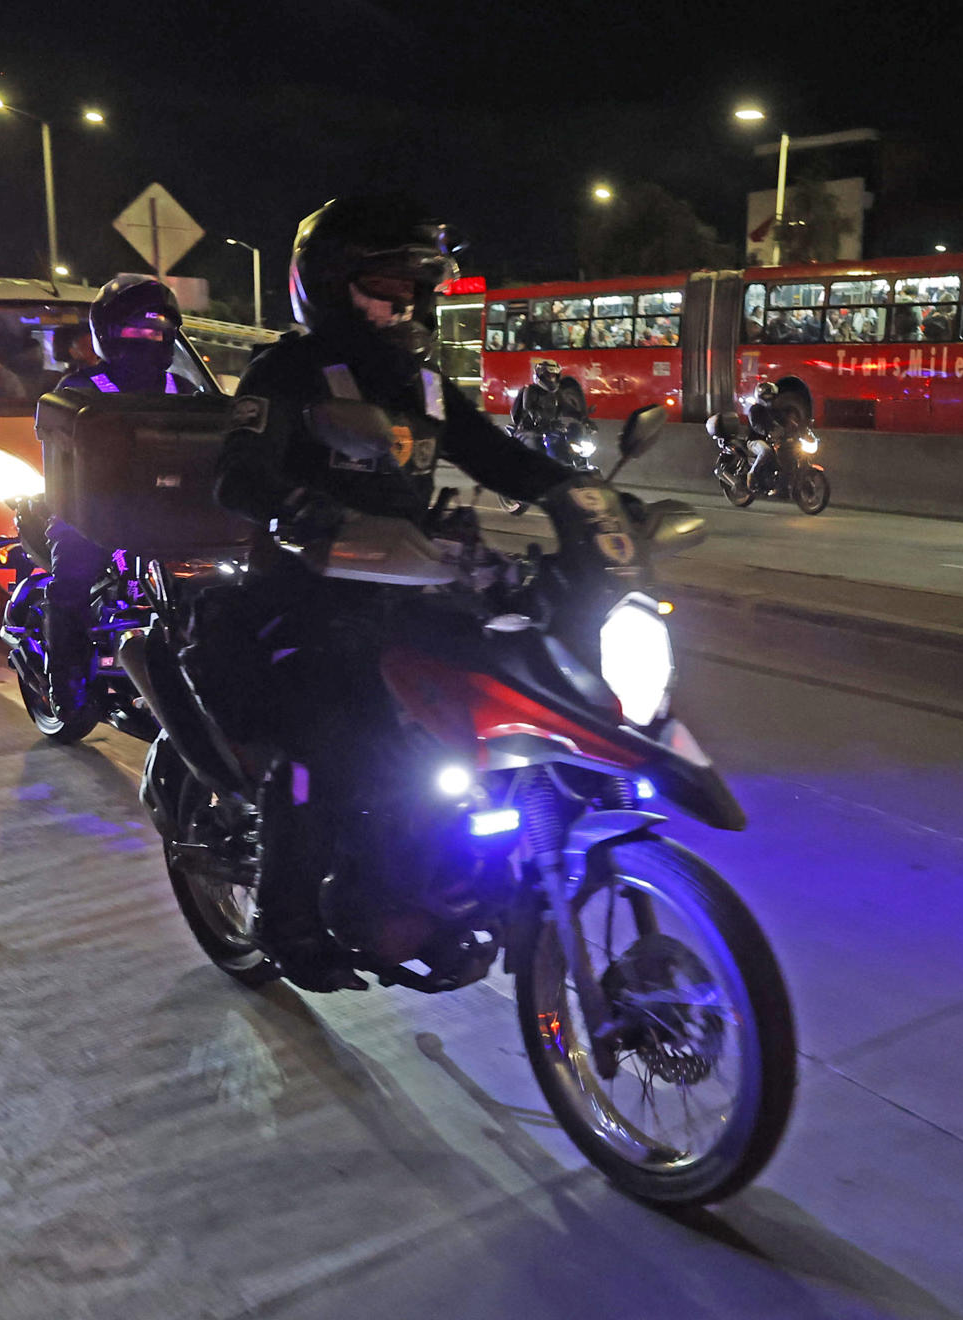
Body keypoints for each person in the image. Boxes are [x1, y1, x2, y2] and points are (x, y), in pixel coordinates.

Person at [189, 193, 578, 991]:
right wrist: (298, 509)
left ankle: (448, 870)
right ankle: (288, 919)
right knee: (328, 742)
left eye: (415, 287)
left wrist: (579, 497)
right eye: (387, 286)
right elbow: (237, 473)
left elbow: (493, 455)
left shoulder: (424, 381)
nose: (406, 303)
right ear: (331, 283)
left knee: (505, 688)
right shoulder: (289, 370)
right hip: (303, 595)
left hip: (408, 587)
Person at [42, 275, 194, 718]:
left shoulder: (182, 392)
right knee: (70, 581)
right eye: (134, 329)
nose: (147, 339)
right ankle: (65, 683)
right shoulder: (80, 391)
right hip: (92, 515)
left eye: (156, 330)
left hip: (167, 516)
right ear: (108, 332)